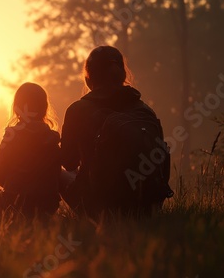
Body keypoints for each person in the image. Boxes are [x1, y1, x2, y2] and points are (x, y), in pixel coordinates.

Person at [60, 46, 172, 218]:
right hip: (147, 207)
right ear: (123, 76)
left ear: (89, 78)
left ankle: (36, 216)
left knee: (56, 171)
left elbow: (68, 163)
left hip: (100, 209)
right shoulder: (144, 110)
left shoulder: (77, 110)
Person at [0, 82, 61, 221]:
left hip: (16, 200)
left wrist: (12, 186)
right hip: (48, 205)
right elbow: (57, 173)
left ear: (16, 109)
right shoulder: (52, 139)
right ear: (44, 108)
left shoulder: (11, 136)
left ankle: (4, 224)